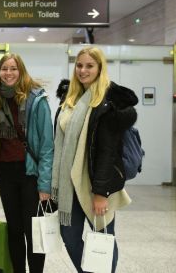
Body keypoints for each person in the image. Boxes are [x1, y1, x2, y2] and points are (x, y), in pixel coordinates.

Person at [51, 47, 138, 273]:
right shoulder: (69, 98)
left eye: (89, 66)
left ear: (100, 68)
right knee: (69, 237)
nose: (83, 70)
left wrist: (101, 193)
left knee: (103, 239)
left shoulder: (106, 101)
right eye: (79, 65)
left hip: (96, 185)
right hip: (69, 185)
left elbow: (107, 151)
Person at [0, 53, 53, 273]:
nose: (8, 73)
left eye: (13, 68)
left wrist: (45, 184)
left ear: (21, 71)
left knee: (33, 231)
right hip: (6, 173)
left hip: (30, 174)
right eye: (4, 69)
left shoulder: (37, 101)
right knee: (14, 230)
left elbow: (47, 146)